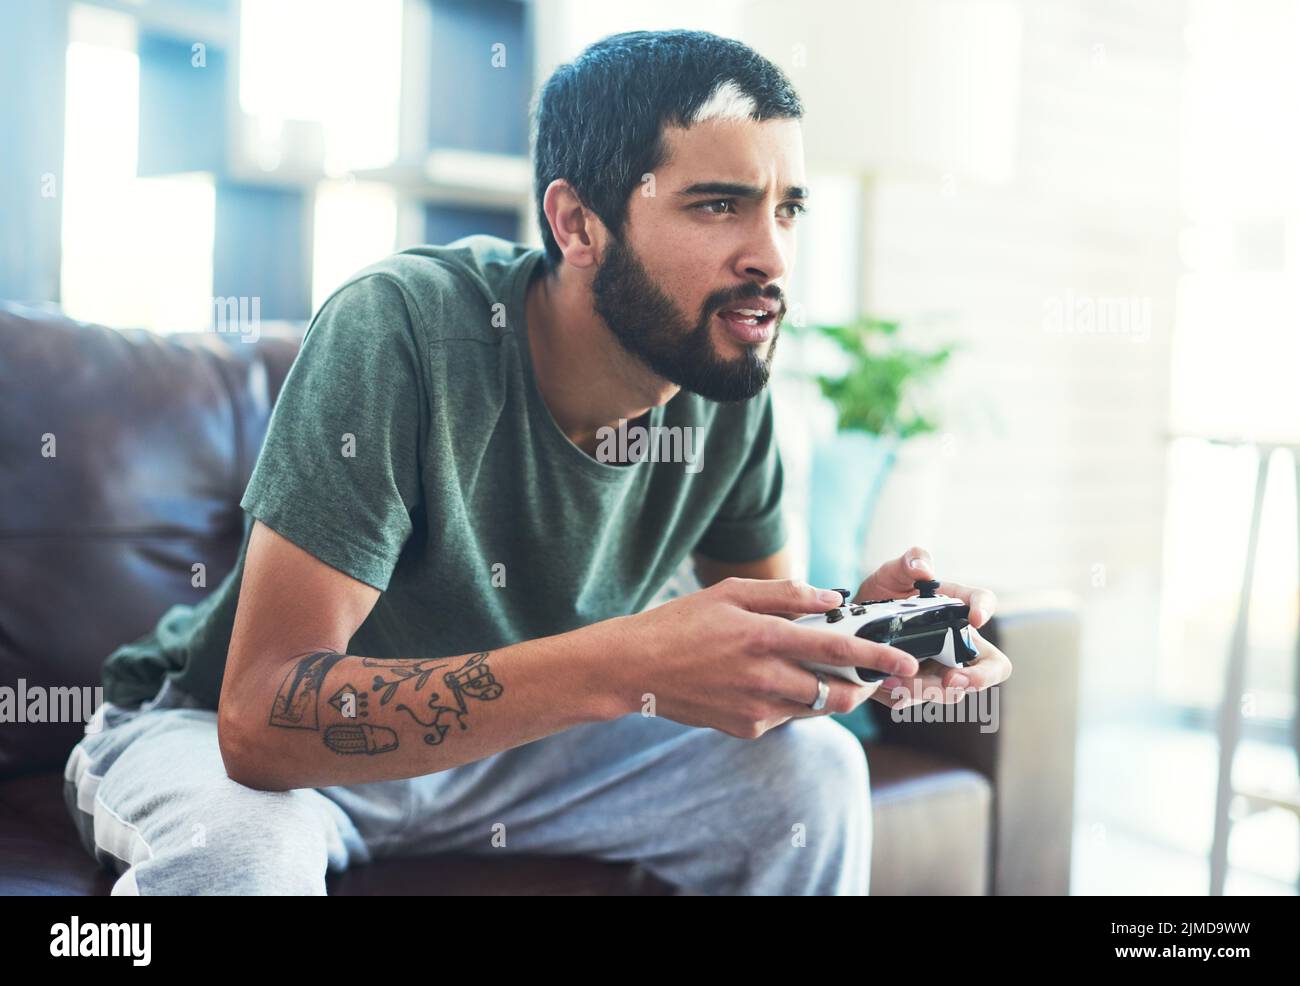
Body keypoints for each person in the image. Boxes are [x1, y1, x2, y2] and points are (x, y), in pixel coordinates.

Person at [65, 28, 1011, 896]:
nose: (769, 254)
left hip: (522, 755)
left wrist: (858, 637)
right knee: (246, 858)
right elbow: (260, 720)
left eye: (787, 209)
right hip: (222, 739)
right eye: (718, 205)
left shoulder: (723, 376)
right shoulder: (400, 328)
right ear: (578, 224)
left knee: (809, 770)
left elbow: (763, 666)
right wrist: (626, 660)